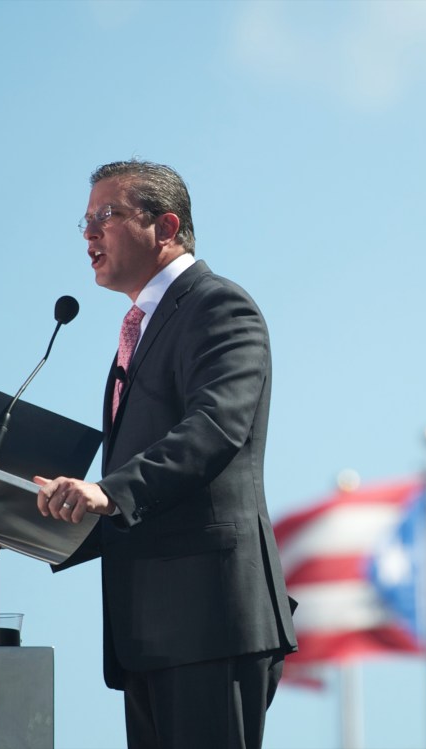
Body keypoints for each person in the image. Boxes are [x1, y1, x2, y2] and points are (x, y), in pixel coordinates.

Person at [34, 159, 297, 749]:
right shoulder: (141, 328)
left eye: (107, 215)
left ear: (166, 226)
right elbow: (133, 495)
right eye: (85, 220)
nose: (89, 234)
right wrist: (25, 522)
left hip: (208, 618)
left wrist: (109, 491)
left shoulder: (217, 307)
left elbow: (215, 428)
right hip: (147, 631)